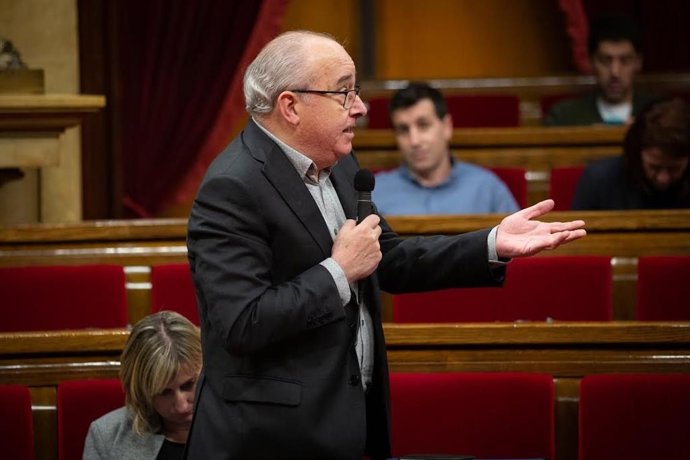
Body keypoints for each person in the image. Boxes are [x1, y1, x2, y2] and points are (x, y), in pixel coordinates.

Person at [185, 30, 586, 460]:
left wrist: (492, 243)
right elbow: (242, 323)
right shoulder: (232, 186)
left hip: (347, 423)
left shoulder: (336, 162)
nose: (359, 107)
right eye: (343, 93)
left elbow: (388, 258)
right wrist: (338, 272)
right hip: (269, 441)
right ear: (290, 106)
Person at [372, 82, 519, 215]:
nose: (414, 141)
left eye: (424, 125)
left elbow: (517, 240)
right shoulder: (375, 194)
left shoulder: (486, 188)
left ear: (447, 127)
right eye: (403, 130)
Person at [83, 311, 201, 459]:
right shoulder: (107, 437)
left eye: (188, 385)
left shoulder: (236, 425)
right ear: (142, 392)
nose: (181, 406)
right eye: (164, 392)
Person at [572, 97, 690, 209]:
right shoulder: (598, 181)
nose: (663, 178)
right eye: (654, 167)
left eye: (674, 169)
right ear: (638, 154)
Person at [544, 14, 657, 126]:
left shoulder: (658, 113)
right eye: (605, 61)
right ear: (591, 62)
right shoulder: (564, 116)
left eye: (625, 60)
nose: (615, 72)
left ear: (638, 62)